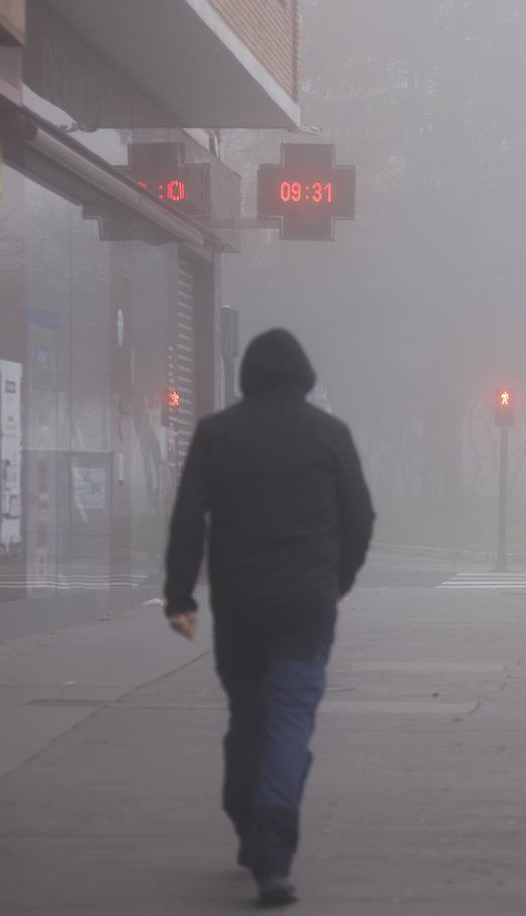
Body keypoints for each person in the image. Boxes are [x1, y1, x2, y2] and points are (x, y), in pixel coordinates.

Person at [164, 328, 375, 907]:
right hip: (308, 607)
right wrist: (337, 581)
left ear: (248, 375)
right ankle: (272, 855)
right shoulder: (330, 435)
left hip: (238, 606)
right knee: (288, 720)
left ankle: (245, 814)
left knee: (249, 714)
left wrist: (179, 595)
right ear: (304, 376)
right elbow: (359, 519)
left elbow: (188, 519)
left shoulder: (216, 434)